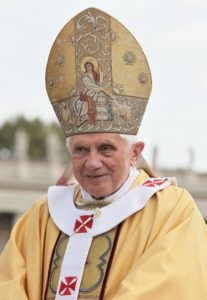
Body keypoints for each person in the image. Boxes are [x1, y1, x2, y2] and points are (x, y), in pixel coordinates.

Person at [0, 7, 207, 300]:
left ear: (135, 153)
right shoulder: (40, 218)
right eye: (81, 150)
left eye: (106, 148)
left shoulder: (172, 212)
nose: (93, 162)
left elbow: (168, 288)